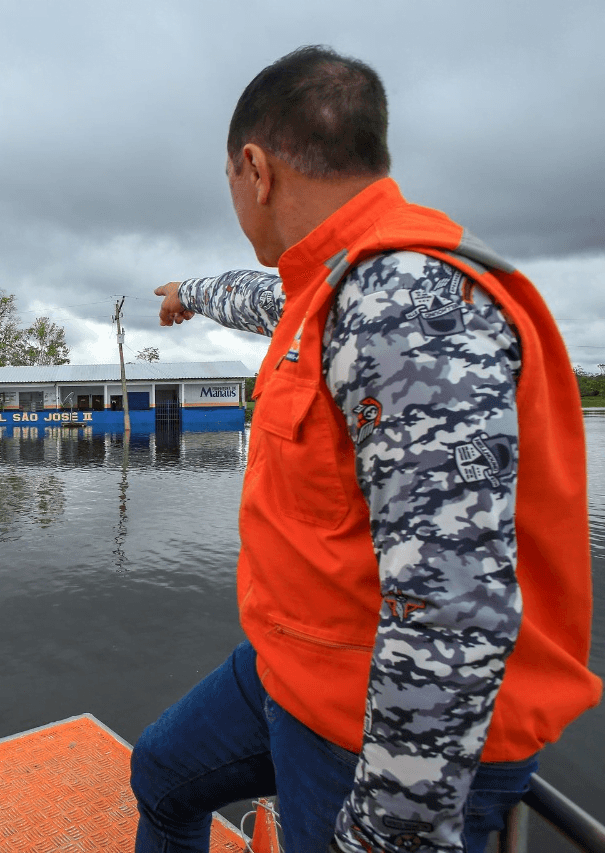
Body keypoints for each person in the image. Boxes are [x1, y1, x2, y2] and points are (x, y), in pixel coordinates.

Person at [132, 46, 600, 853]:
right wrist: (191, 293)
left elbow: (453, 615)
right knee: (163, 774)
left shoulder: (408, 304)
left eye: (229, 180)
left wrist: (388, 834)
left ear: (255, 168)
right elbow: (262, 297)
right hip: (299, 666)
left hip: (381, 731)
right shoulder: (332, 284)